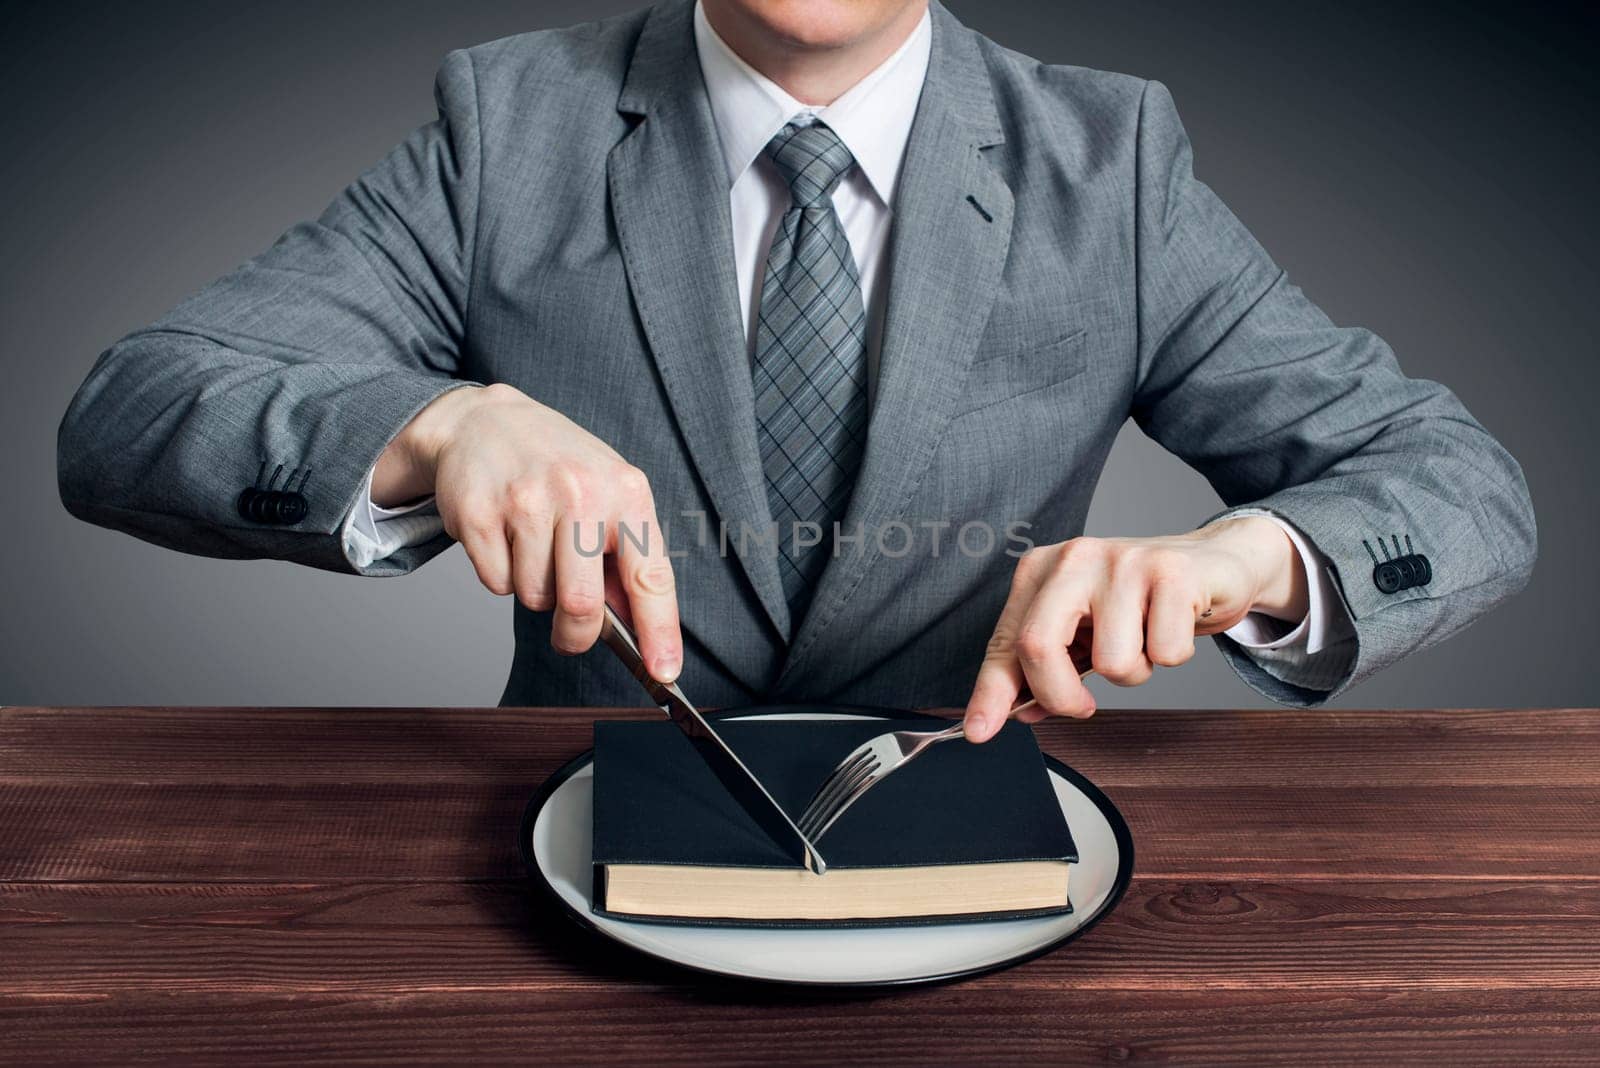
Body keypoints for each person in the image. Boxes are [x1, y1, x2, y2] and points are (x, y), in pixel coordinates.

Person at [57, 0, 1535, 740]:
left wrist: (1249, 556)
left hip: (992, 890)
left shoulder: (1113, 164)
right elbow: (132, 407)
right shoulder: (512, 127)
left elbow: (1461, 488)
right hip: (571, 874)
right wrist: (433, 425)